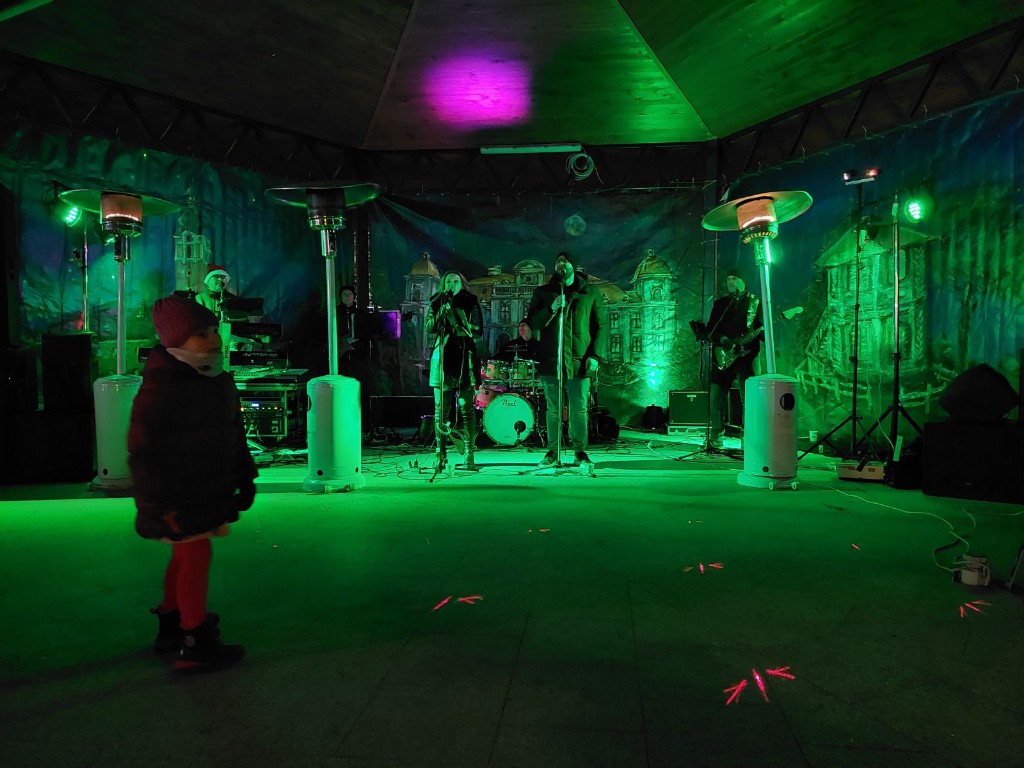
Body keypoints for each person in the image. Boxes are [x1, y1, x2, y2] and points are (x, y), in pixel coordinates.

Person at [128, 295, 256, 671]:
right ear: (175, 342)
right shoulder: (164, 387)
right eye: (201, 334)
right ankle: (195, 639)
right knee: (195, 554)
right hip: (179, 496)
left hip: (206, 488)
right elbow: (144, 451)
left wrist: (245, 475)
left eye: (214, 329)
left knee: (184, 554)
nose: (214, 338)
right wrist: (160, 504)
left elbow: (234, 433)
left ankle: (172, 620)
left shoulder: (216, 379)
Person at [527, 251, 606, 471]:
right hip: (552, 360)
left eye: (565, 261)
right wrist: (551, 308)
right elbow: (533, 323)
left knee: (578, 409)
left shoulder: (589, 292)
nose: (561, 264)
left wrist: (595, 355)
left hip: (579, 360)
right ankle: (553, 452)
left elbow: (601, 326)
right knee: (553, 409)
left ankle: (580, 452)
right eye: (558, 261)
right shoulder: (543, 293)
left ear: (573, 266)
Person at [425, 272, 483, 471]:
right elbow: (429, 327)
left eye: (456, 281)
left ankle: (468, 452)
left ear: (462, 284)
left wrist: (465, 324)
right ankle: (440, 454)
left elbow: (479, 330)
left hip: (464, 358)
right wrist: (442, 310)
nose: (452, 284)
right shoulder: (436, 301)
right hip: (442, 359)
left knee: (467, 409)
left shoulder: (471, 301)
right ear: (443, 284)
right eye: (448, 281)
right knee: (440, 411)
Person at [705, 265, 763, 450]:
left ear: (743, 281)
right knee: (716, 398)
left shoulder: (756, 303)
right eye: (728, 279)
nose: (730, 282)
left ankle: (748, 440)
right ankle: (716, 438)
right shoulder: (721, 304)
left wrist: (764, 331)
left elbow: (762, 331)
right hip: (723, 356)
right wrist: (723, 340)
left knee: (749, 399)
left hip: (747, 357)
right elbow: (711, 330)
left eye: (734, 279)